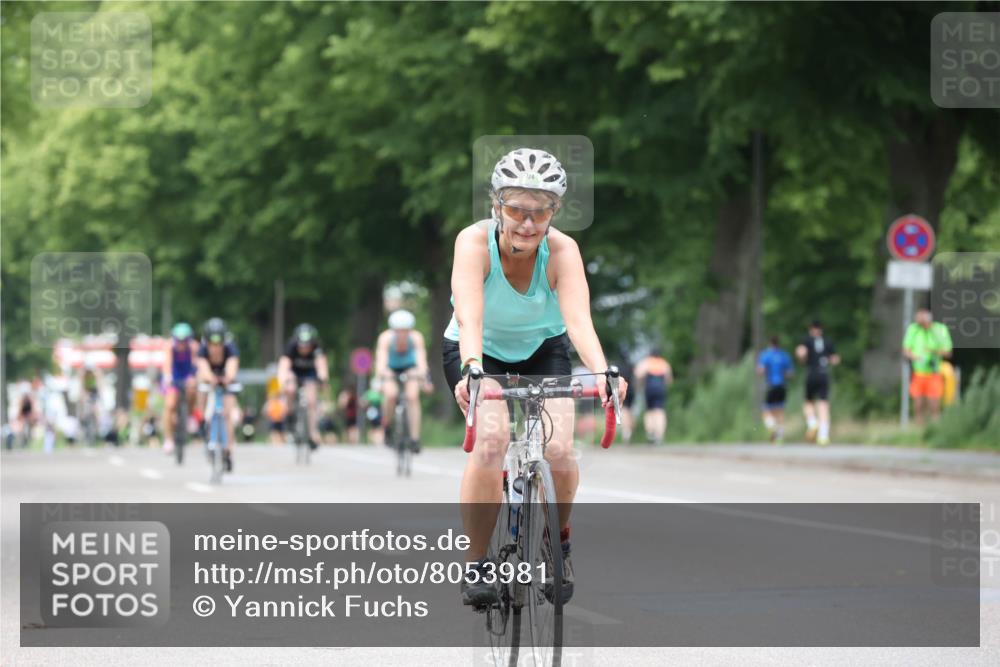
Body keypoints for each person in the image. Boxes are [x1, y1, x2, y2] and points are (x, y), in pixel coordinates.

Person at [442, 147, 628, 607]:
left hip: (543, 349)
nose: (527, 223)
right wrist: (473, 371)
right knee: (491, 441)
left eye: (539, 212)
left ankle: (557, 543)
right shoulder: (472, 242)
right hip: (478, 349)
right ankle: (478, 562)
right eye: (516, 210)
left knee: (561, 448)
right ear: (496, 206)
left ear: (554, 212)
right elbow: (469, 316)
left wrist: (603, 370)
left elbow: (578, 320)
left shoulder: (562, 251)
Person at [373, 310, 430, 452]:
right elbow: (381, 361)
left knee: (412, 396)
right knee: (391, 394)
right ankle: (387, 425)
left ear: (410, 330)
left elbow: (421, 361)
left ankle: (415, 438)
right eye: (398, 331)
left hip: (410, 367)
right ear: (393, 330)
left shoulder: (416, 338)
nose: (402, 334)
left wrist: (424, 378)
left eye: (405, 331)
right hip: (390, 368)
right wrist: (381, 377)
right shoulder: (385, 338)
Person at [196, 318, 240, 471]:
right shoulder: (202, 349)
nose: (215, 347)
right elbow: (203, 367)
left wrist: (228, 378)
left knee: (227, 414)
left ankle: (228, 450)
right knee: (201, 386)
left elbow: (232, 366)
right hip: (210, 377)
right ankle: (201, 421)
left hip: (226, 377)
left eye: (218, 343)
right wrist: (210, 379)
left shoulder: (230, 348)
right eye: (212, 344)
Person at [277, 323, 330, 448]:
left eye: (307, 346)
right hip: (294, 372)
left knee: (311, 401)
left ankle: (312, 433)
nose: (305, 348)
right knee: (290, 388)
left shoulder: (317, 348)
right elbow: (284, 366)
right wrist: (283, 381)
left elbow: (322, 366)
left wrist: (322, 379)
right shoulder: (291, 346)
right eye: (302, 346)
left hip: (310, 373)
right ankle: (290, 417)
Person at [902, 308, 953, 424]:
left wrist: (933, 351)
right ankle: (919, 430)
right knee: (918, 404)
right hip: (918, 373)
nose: (920, 325)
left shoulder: (940, 329)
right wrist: (915, 357)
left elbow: (948, 352)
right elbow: (906, 351)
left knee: (934, 404)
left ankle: (935, 429)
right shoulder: (913, 329)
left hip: (934, 373)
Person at [795, 320, 840, 446]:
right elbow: (835, 359)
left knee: (808, 401)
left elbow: (800, 352)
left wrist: (802, 359)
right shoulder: (827, 341)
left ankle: (812, 423)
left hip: (812, 373)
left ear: (811, 329)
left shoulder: (806, 340)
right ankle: (823, 435)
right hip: (824, 374)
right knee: (824, 404)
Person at [162, 322, 200, 454]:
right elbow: (167, 364)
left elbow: (196, 365)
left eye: (184, 341)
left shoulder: (194, 347)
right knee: (169, 405)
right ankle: (168, 439)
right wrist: (167, 377)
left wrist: (194, 377)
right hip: (174, 376)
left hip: (188, 375)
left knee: (192, 390)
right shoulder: (170, 347)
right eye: (179, 341)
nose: (181, 344)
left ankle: (189, 415)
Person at [756, 336, 794, 443]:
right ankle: (780, 436)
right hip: (782, 386)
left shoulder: (766, 355)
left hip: (771, 385)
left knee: (765, 410)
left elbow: (761, 370)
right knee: (780, 411)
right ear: (778, 344)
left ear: (770, 344)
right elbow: (790, 373)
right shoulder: (784, 355)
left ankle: (772, 427)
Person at [634, 349, 672, 444]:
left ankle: (650, 433)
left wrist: (639, 385)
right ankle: (660, 435)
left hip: (649, 389)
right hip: (661, 389)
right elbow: (669, 380)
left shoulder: (646, 363)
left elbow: (638, 374)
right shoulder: (664, 364)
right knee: (659, 411)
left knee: (649, 411)